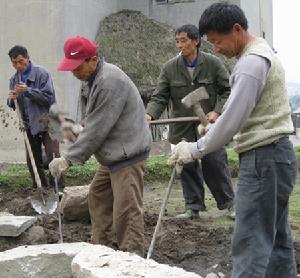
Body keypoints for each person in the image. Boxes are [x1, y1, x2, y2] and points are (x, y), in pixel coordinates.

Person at [169, 3, 297, 277]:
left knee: (250, 240)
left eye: (217, 41)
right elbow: (243, 112)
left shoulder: (251, 63)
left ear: (237, 30)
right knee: (276, 239)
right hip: (277, 156)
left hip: (264, 158)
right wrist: (215, 125)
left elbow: (234, 119)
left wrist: (195, 148)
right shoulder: (260, 53)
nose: (215, 49)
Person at [49, 36, 152, 256]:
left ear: (92, 60)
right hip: (115, 155)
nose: (74, 73)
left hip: (127, 156)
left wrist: (67, 158)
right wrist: (78, 128)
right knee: (98, 195)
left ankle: (132, 257)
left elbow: (98, 128)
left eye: (77, 68)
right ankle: (100, 249)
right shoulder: (98, 79)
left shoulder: (109, 81)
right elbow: (94, 119)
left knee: (127, 211)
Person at [146, 24, 234, 220]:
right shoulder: (170, 68)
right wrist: (149, 115)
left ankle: (229, 204)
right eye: (177, 41)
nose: (179, 45)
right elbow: (160, 96)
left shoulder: (213, 63)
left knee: (215, 163)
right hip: (182, 127)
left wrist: (217, 111)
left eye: (183, 40)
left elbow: (227, 91)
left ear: (196, 41)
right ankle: (193, 207)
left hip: (208, 126)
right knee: (187, 166)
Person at [7, 45, 62, 189]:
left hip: (48, 120)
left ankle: (58, 189)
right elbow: (14, 105)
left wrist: (28, 90)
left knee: (53, 155)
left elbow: (49, 97)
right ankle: (41, 189)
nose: (18, 65)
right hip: (29, 123)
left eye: (21, 61)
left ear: (27, 58)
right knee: (32, 159)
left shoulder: (42, 73)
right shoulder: (14, 80)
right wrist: (11, 99)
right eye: (14, 63)